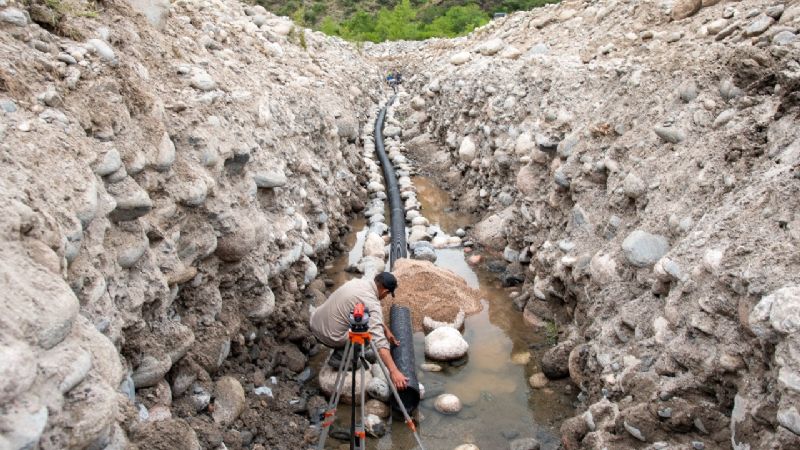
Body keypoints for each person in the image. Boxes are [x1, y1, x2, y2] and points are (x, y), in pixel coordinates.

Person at [310, 272, 410, 390]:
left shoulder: (359, 282)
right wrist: (394, 371)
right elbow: (379, 343)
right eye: (387, 295)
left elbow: (368, 312)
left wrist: (386, 330)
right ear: (385, 291)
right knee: (366, 333)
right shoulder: (371, 302)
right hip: (328, 335)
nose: (384, 297)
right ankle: (341, 358)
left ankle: (344, 352)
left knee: (362, 317)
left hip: (315, 322)